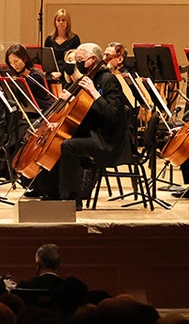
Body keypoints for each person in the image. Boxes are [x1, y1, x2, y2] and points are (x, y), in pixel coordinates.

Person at [26, 43, 128, 205]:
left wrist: (94, 93)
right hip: (92, 132)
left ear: (93, 60)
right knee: (57, 141)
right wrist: (59, 126)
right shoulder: (89, 79)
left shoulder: (108, 80)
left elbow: (112, 115)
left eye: (80, 59)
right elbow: (84, 114)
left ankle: (72, 198)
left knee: (68, 146)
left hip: (107, 139)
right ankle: (52, 191)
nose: (77, 64)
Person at [43, 9, 80, 86]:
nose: (61, 22)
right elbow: (46, 59)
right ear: (55, 22)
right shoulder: (49, 39)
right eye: (58, 20)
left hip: (67, 73)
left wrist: (61, 72)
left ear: (68, 22)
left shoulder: (74, 39)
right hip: (52, 73)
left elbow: (75, 60)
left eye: (63, 20)